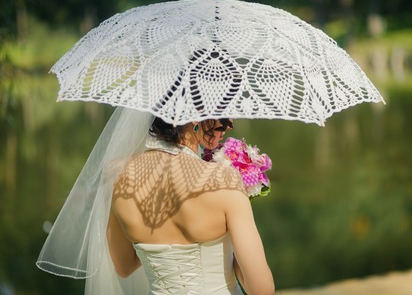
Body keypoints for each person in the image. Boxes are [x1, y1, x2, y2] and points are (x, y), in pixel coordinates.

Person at [37, 108, 274, 295]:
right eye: (221, 112)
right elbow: (261, 289)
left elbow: (124, 265)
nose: (227, 122)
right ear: (195, 117)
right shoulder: (222, 179)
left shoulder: (119, 175)